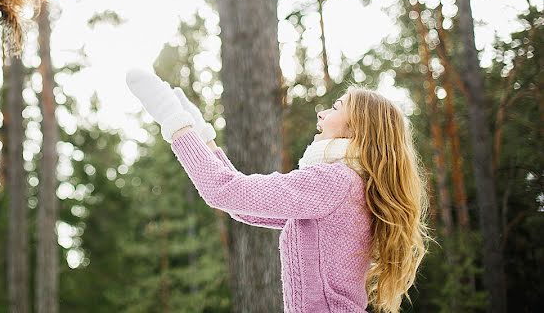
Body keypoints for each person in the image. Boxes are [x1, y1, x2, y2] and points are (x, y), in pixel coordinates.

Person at [125, 68, 429, 313]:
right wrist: (201, 134)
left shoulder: (335, 181)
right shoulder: (347, 185)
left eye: (336, 108)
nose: (321, 114)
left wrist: (172, 118)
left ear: (356, 128)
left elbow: (223, 191)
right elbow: (241, 205)